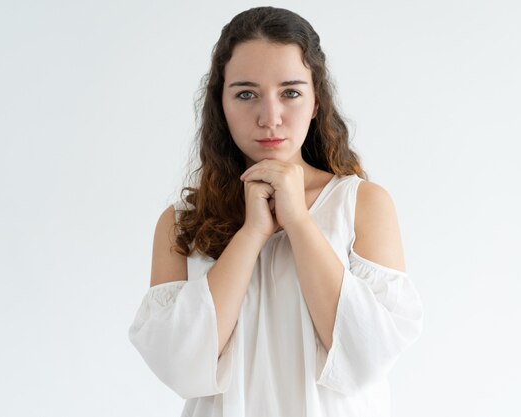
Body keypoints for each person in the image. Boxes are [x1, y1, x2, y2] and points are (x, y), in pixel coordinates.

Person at [128, 6, 423, 417]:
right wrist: (251, 235)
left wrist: (299, 222)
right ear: (221, 104)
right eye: (246, 94)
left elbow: (365, 356)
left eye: (291, 92)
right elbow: (180, 366)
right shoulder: (182, 222)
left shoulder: (362, 204)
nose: (270, 118)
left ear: (317, 100)